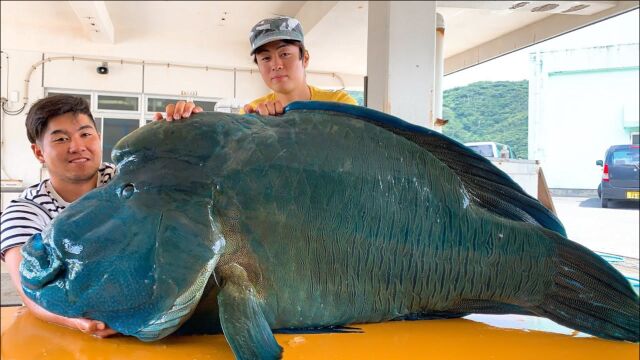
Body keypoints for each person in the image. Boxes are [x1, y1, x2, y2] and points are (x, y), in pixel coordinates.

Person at [0, 94, 118, 337]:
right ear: (39, 153)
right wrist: (74, 321)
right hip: (59, 334)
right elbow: (30, 290)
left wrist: (179, 126)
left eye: (86, 134)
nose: (77, 147)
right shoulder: (25, 211)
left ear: (99, 138)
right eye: (61, 139)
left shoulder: (126, 181)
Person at [154, 16, 357, 121]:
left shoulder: (340, 105)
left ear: (305, 58)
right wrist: (189, 123)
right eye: (265, 58)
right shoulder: (252, 116)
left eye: (284, 54)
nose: (276, 64)